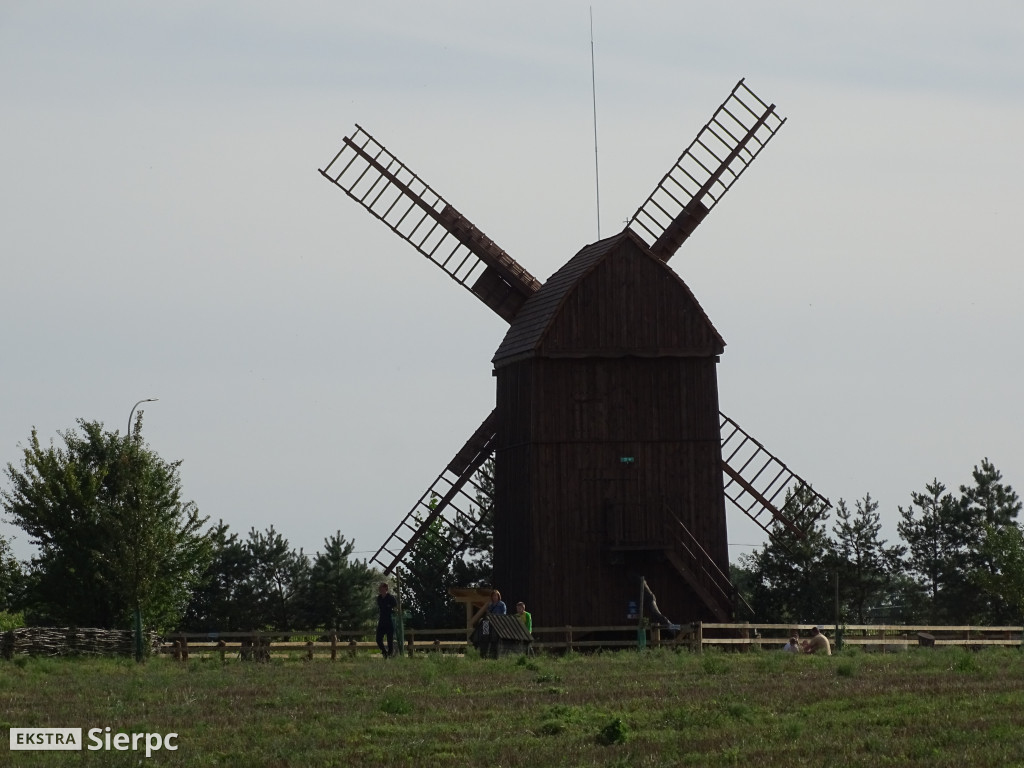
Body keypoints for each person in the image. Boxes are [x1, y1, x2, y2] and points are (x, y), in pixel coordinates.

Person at [375, 582, 398, 659]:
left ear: (385, 588)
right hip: (382, 621)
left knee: (390, 640)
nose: (380, 589)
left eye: (381, 587)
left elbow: (396, 608)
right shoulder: (379, 598)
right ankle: (384, 653)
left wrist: (392, 610)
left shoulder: (391, 598)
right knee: (378, 639)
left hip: (389, 621)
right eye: (379, 587)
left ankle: (390, 655)